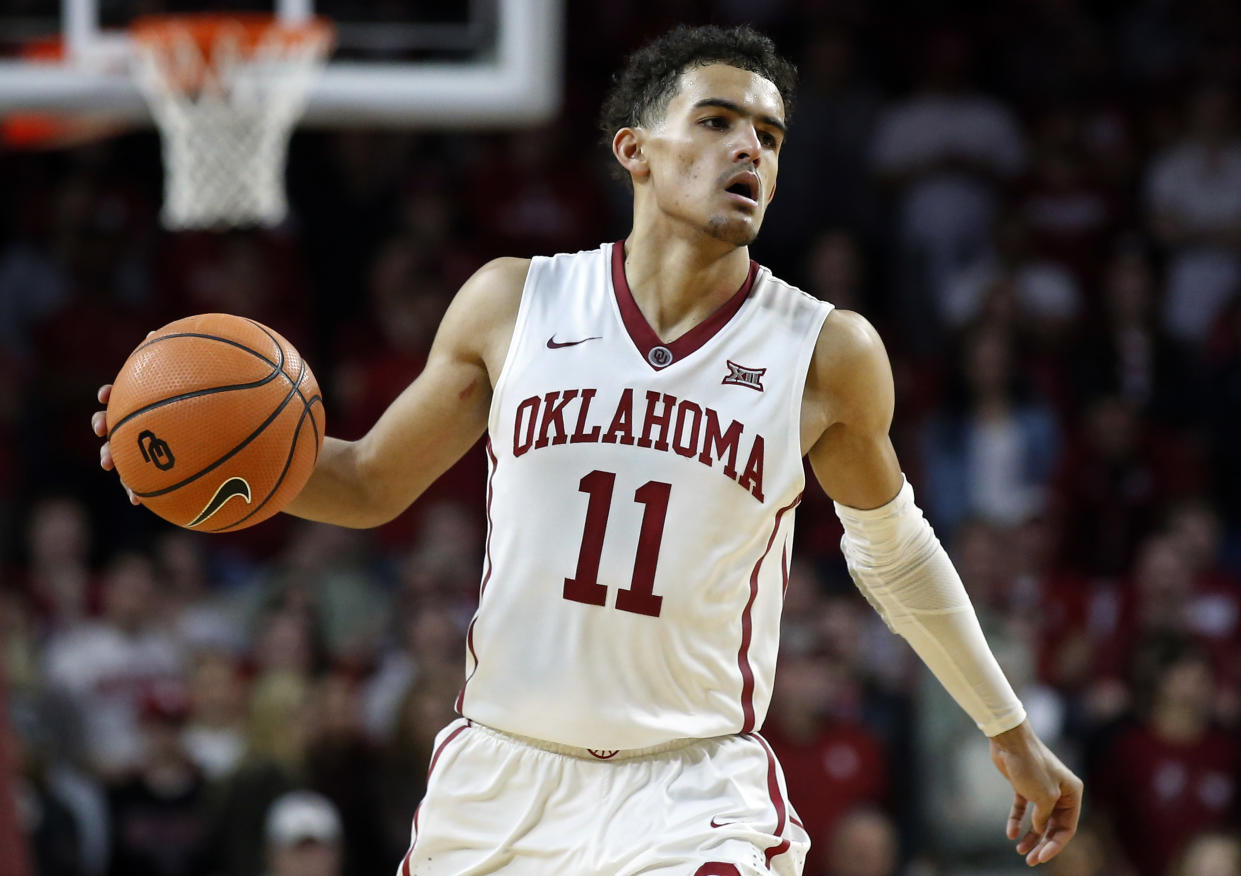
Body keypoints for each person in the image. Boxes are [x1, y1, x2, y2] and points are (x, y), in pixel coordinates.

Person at [93, 24, 1082, 876]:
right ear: (634, 149)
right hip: (501, 776)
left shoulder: (825, 350)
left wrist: (1007, 730)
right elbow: (362, 482)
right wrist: (193, 455)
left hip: (691, 786)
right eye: (716, 121)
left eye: (769, 136)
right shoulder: (512, 302)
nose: (749, 148)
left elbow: (892, 550)